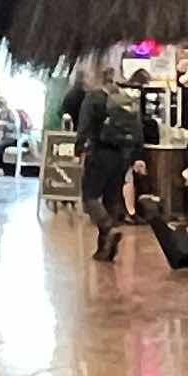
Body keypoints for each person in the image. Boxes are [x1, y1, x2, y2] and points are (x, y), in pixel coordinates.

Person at [76, 67, 149, 262]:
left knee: (90, 197)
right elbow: (138, 130)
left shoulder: (93, 98)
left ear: (98, 78)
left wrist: (78, 149)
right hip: (122, 156)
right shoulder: (125, 99)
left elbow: (84, 127)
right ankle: (104, 250)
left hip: (99, 153)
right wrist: (137, 156)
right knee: (112, 199)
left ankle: (108, 228)